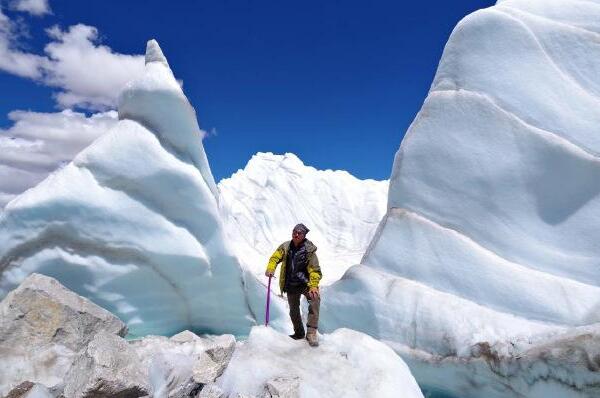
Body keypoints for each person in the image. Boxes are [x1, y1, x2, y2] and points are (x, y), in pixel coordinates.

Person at [265, 223, 322, 347]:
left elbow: (314, 269)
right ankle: (299, 333)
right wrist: (271, 268)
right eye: (294, 231)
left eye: (299, 233)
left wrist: (313, 285)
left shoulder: (309, 250)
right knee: (293, 311)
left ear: (304, 235)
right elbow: (275, 257)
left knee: (315, 299)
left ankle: (311, 333)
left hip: (306, 283)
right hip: (291, 284)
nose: (296, 234)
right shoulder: (286, 247)